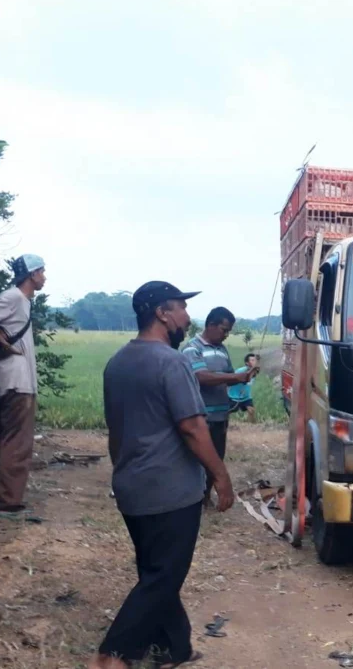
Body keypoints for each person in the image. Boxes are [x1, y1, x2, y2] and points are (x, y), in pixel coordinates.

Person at [91, 281, 234, 669]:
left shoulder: (117, 362)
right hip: (169, 491)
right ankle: (112, 656)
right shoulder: (172, 363)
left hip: (131, 487)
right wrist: (220, 476)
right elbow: (193, 428)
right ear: (162, 313)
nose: (187, 318)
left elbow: (117, 430)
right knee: (163, 578)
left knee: (155, 569)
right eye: (181, 309)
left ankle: (176, 649)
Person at [181, 307, 255, 507]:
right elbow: (201, 377)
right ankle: (193, 499)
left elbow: (229, 377)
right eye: (223, 329)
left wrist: (245, 375)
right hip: (200, 417)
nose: (226, 335)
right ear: (211, 325)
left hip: (221, 416)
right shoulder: (192, 348)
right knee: (198, 458)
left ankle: (204, 498)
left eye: (228, 331)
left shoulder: (222, 350)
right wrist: (234, 376)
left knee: (217, 458)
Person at [0, 254, 46, 514]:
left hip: (14, 380)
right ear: (33, 274)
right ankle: (8, 503)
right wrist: (2, 343)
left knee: (7, 439)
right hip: (17, 382)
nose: (45, 277)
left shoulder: (21, 301)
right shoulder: (14, 297)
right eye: (42, 272)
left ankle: (1, 497)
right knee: (17, 442)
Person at [228, 353, 260, 423]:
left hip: (246, 396)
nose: (254, 362)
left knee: (251, 410)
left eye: (255, 360)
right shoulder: (241, 371)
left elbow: (255, 371)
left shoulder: (255, 371)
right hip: (235, 396)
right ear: (247, 363)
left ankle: (252, 426)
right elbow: (232, 379)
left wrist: (257, 363)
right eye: (252, 360)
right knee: (228, 412)